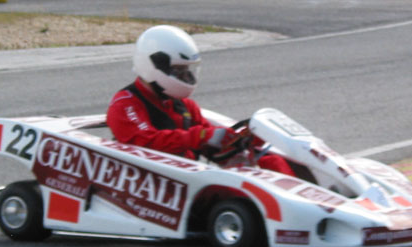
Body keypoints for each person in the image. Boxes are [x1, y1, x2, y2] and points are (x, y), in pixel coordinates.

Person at [107, 25, 295, 175]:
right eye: (179, 71)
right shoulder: (126, 104)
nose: (186, 77)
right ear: (155, 64)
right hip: (153, 182)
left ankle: (307, 201)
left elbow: (210, 141)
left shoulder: (183, 105)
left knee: (272, 162)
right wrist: (200, 136)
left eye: (187, 71)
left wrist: (240, 140)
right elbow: (144, 142)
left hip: (189, 177)